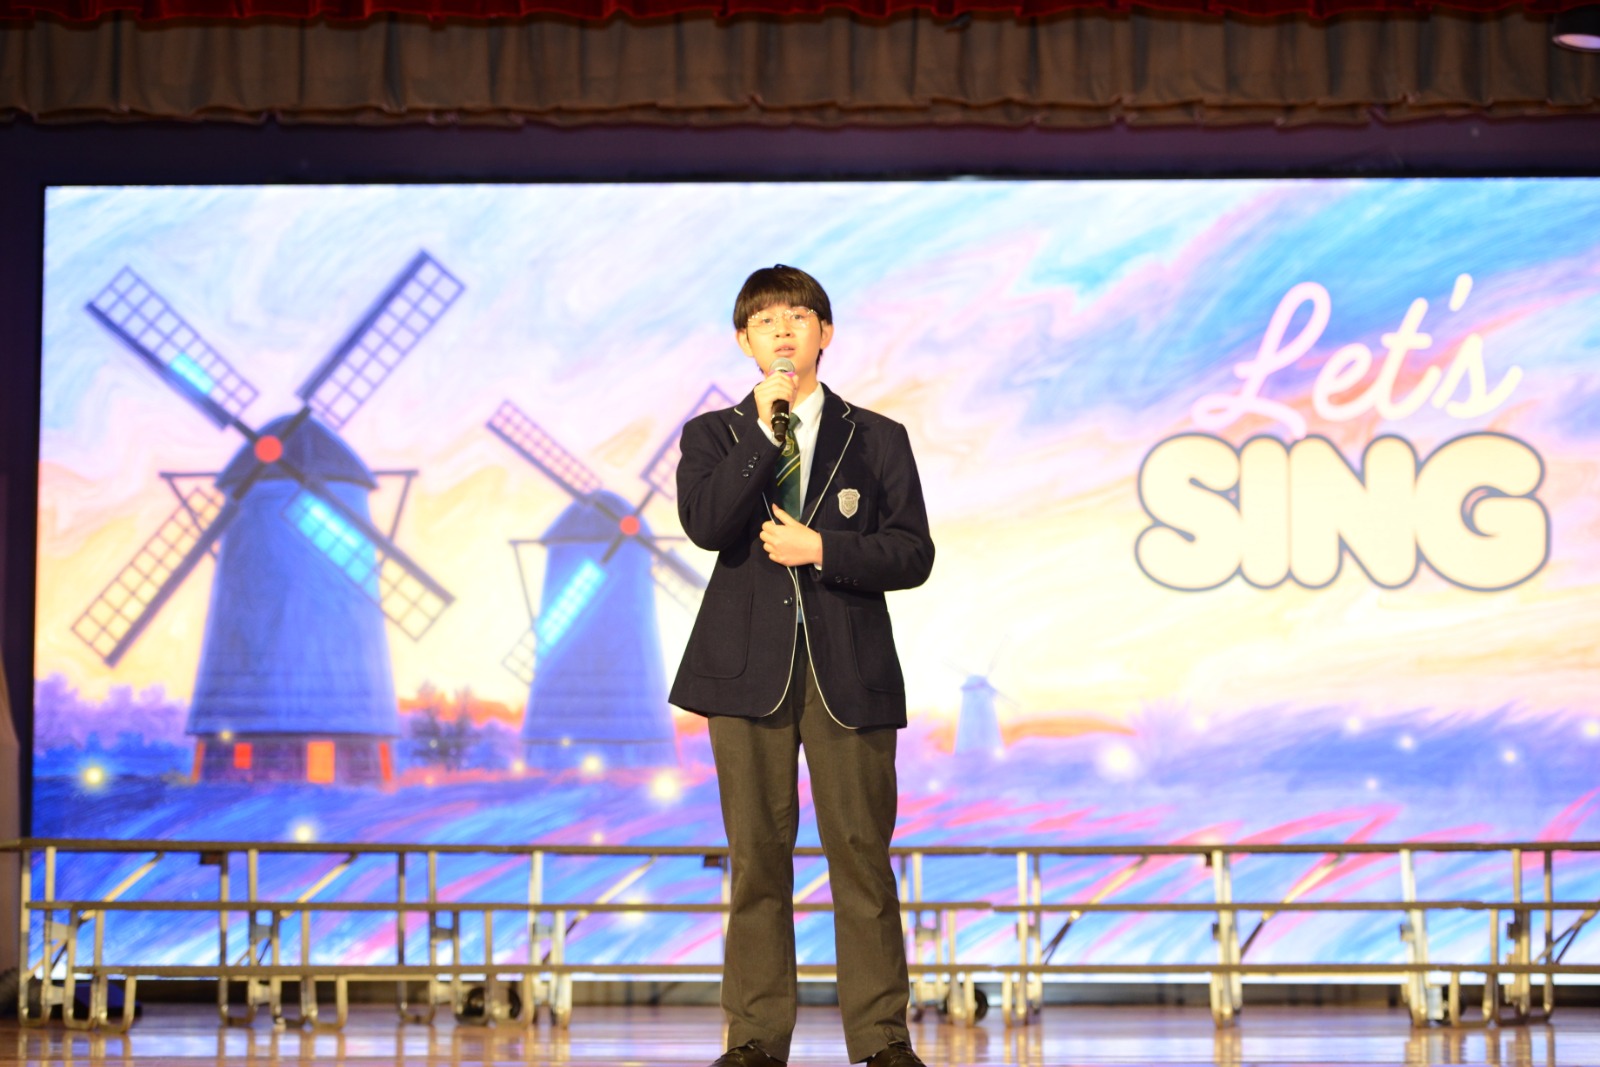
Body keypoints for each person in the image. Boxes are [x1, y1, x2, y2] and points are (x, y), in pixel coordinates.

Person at [671, 265, 935, 1067]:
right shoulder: (714, 435)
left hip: (847, 670)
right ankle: (754, 1037)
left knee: (860, 853)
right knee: (757, 858)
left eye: (797, 316)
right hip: (744, 672)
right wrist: (763, 432)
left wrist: (823, 547)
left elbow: (912, 552)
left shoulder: (877, 436)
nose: (783, 331)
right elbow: (708, 523)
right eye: (765, 321)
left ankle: (882, 1038)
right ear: (744, 342)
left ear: (825, 333)